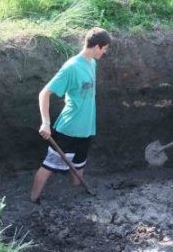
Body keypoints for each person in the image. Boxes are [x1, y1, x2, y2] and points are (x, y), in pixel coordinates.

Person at [30, 27, 112, 203]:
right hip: (69, 128)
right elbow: (44, 93)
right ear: (97, 46)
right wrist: (45, 122)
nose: (105, 52)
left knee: (79, 164)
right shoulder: (72, 67)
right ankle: (33, 199)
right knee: (49, 166)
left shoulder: (92, 63)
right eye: (105, 48)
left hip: (86, 128)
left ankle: (75, 199)